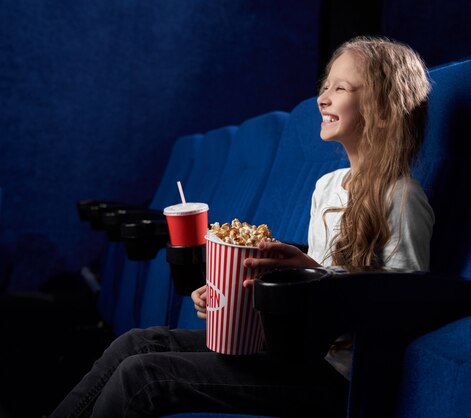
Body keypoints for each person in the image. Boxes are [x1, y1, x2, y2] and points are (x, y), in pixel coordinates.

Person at [50, 36, 434, 418]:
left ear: (383, 110)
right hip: (294, 350)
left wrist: (311, 272)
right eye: (325, 86)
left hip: (335, 378)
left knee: (145, 376)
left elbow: (400, 304)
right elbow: (310, 286)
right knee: (137, 343)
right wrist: (228, 293)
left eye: (341, 88)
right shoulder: (327, 186)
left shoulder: (401, 197)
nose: (323, 97)